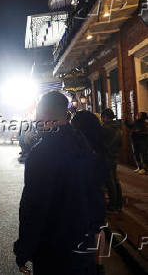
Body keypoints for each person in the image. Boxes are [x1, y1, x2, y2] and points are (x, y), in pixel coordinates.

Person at [14, 91, 102, 275]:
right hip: (83, 246)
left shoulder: (41, 153)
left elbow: (33, 208)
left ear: (44, 116)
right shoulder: (83, 144)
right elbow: (95, 194)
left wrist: (24, 250)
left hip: (53, 250)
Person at [71, 110, 109, 275]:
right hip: (97, 196)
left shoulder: (77, 148)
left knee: (85, 232)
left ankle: (90, 264)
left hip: (81, 198)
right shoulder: (100, 149)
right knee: (97, 229)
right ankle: (98, 264)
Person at [101, 109, 123, 211]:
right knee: (115, 180)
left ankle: (113, 204)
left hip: (106, 156)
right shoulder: (118, 127)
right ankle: (118, 203)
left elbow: (100, 143)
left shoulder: (105, 128)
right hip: (114, 155)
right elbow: (120, 144)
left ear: (105, 117)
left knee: (110, 182)